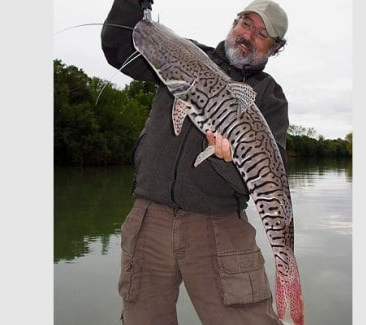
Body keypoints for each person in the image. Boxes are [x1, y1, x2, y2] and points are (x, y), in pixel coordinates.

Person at [101, 0, 290, 324]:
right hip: (150, 218)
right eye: (246, 23)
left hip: (219, 226)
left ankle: (289, 276)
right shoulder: (182, 53)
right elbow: (121, 46)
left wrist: (226, 159)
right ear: (234, 23)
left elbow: (268, 178)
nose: (248, 35)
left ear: (274, 49)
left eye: (262, 34)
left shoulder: (269, 95)